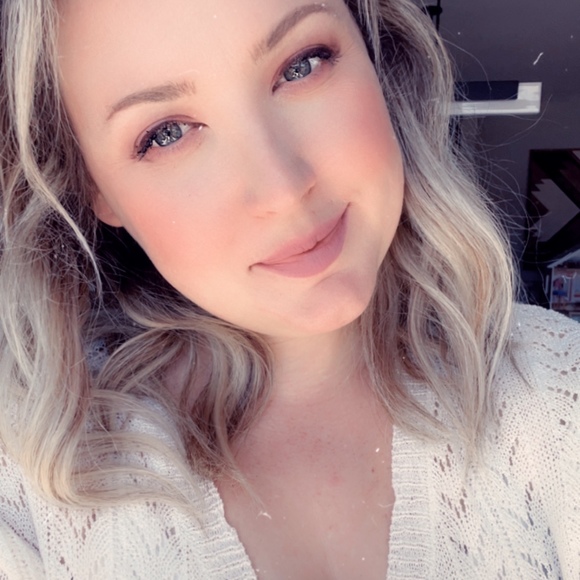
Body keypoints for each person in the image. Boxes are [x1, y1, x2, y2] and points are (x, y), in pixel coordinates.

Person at [0, 0, 578, 577]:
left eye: (301, 65)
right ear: (94, 187)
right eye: (167, 134)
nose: (282, 189)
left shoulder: (556, 390)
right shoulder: (25, 484)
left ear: (374, 53)